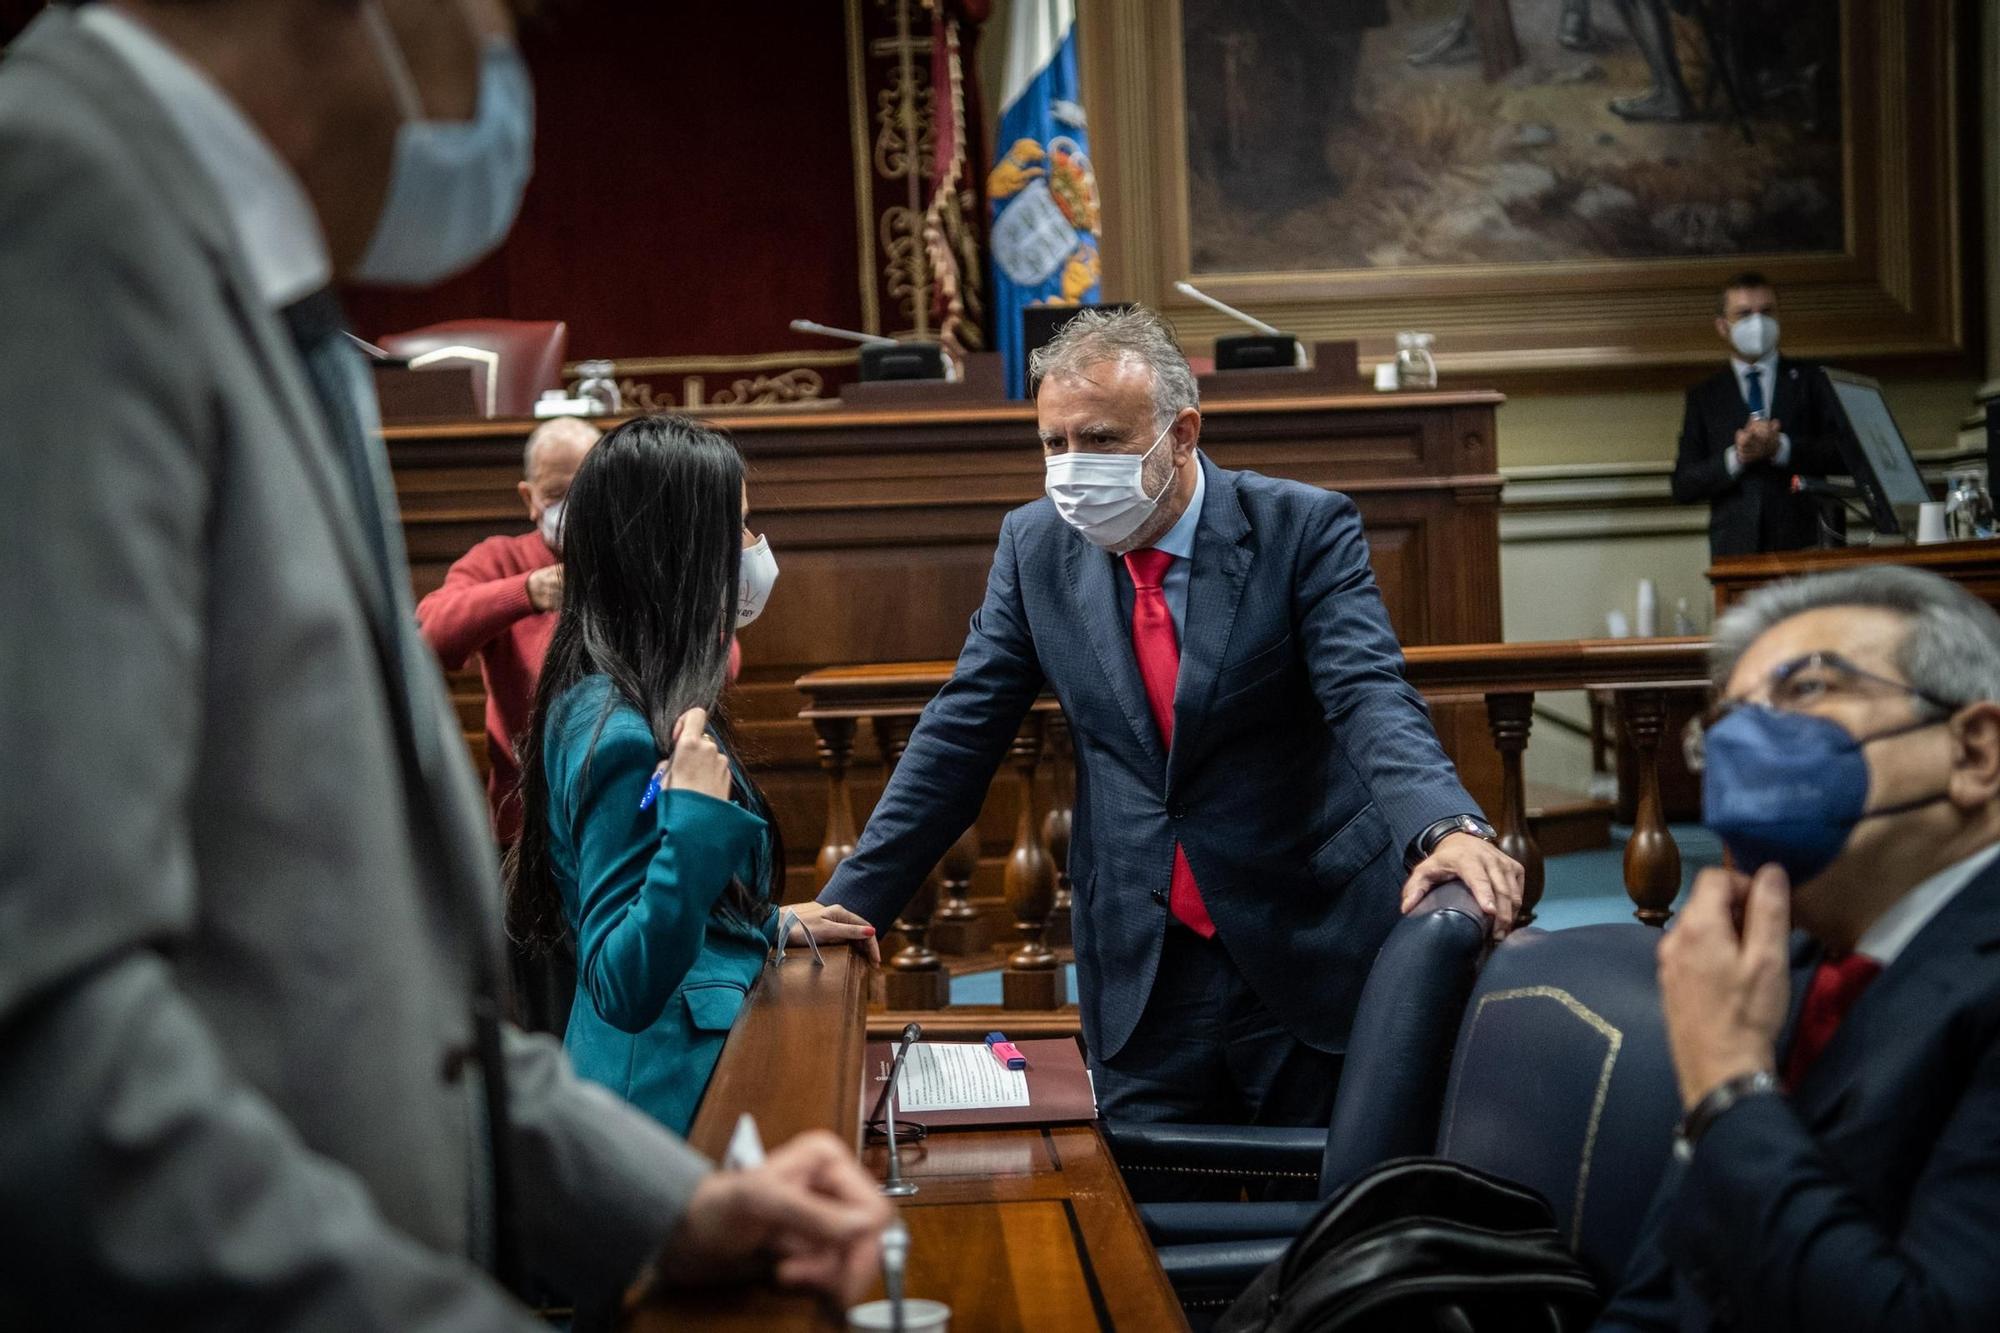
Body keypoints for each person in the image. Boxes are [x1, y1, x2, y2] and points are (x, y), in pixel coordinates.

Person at [0, 1, 887, 1326]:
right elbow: (52, 1057)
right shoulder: (52, 211)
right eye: (499, 13)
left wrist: (661, 1205)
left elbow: (371, 991)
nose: (504, 56)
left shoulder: (253, 279)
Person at [817, 306, 1522, 1132]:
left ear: (1182, 433)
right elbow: (959, 734)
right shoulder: (1034, 545)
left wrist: (1446, 826)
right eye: (1055, 444)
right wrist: (848, 907)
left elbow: (1369, 694)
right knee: (1143, 1225)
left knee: (1337, 1214)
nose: (1072, 468)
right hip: (1143, 963)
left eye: (1102, 440)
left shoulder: (1300, 529)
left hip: (1301, 940)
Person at [1597, 565, 2000, 1331]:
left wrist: (1727, 1087)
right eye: (1730, 719)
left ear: (1975, 751)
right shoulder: (1783, 969)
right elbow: (1658, 1297)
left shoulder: (1736, 1017)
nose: (1751, 741)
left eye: (1807, 689)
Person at [506, 416, 873, 1136]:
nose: (753, 549)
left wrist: (765, 921)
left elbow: (666, 900)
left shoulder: (640, 689)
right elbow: (621, 978)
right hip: (659, 1105)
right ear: (673, 552)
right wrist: (697, 826)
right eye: (735, 526)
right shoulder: (614, 732)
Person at [418, 415, 599, 843]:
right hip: (527, 819)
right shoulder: (502, 559)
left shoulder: (635, 554)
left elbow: (719, 661)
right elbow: (429, 635)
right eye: (557, 494)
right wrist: (525, 592)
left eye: (587, 489)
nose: (573, 505)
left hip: (624, 810)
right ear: (529, 498)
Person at [1671, 272, 1847, 559]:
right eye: (1744, 314)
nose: (1757, 323)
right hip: (1736, 552)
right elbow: (1684, 485)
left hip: (1809, 545)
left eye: (1766, 312)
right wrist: (1738, 456)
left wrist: (1782, 448)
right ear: (1722, 326)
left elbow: (1845, 453)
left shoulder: (1813, 379)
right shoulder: (1705, 396)